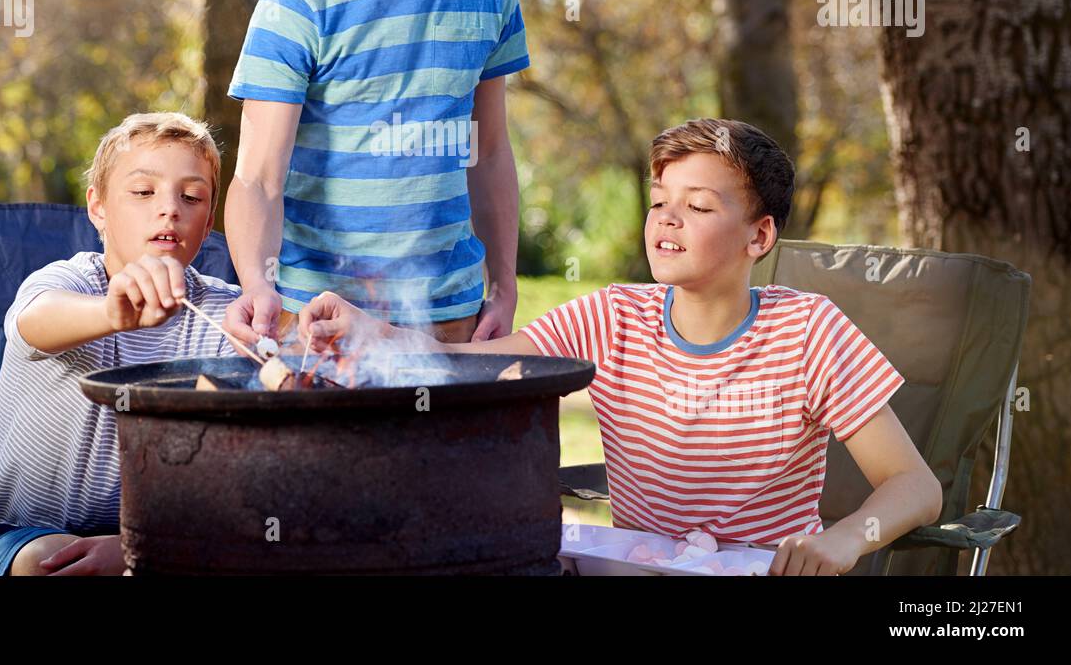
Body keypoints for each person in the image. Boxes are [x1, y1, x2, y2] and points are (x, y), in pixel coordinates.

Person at [297, 118, 943, 575]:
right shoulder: (613, 316)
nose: (666, 217)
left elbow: (915, 484)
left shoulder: (810, 331)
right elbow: (476, 367)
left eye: (697, 205)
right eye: (660, 200)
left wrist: (844, 540)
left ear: (759, 235)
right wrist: (372, 333)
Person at [223, 0, 528, 349]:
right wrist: (255, 284)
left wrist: (504, 283)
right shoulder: (297, 4)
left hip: (451, 313)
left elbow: (487, 152)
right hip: (317, 316)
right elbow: (258, 178)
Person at [0, 112, 239, 575]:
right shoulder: (70, 283)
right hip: (21, 538)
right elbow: (34, 321)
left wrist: (136, 548)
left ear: (208, 222)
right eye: (143, 191)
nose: (169, 208)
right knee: (53, 562)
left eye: (191, 197)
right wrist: (112, 313)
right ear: (98, 208)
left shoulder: (224, 313)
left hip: (167, 540)